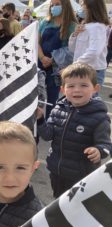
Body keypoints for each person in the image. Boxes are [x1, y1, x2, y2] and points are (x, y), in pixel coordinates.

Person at [36, 63, 112, 198]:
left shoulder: (99, 117)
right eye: (71, 86)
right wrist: (40, 120)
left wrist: (98, 151)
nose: (77, 90)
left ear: (95, 88)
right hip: (56, 171)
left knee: (76, 208)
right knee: (57, 201)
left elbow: (106, 145)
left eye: (83, 85)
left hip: (81, 176)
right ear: (63, 90)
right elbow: (48, 135)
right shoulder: (58, 109)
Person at [38, 0, 77, 119]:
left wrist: (53, 60)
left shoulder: (71, 25)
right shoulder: (44, 22)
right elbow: (37, 42)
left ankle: (50, 124)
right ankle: (37, 126)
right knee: (37, 96)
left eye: (57, 4)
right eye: (52, 5)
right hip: (40, 63)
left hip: (58, 67)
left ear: (65, 5)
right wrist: (42, 57)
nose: (54, 7)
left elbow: (71, 49)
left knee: (52, 97)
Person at [68, 0, 109, 88]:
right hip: (82, 68)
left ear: (91, 8)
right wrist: (75, 34)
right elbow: (72, 48)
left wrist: (75, 64)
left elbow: (94, 52)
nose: (81, 8)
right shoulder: (86, 25)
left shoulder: (98, 26)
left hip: (92, 70)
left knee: (88, 99)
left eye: (83, 5)